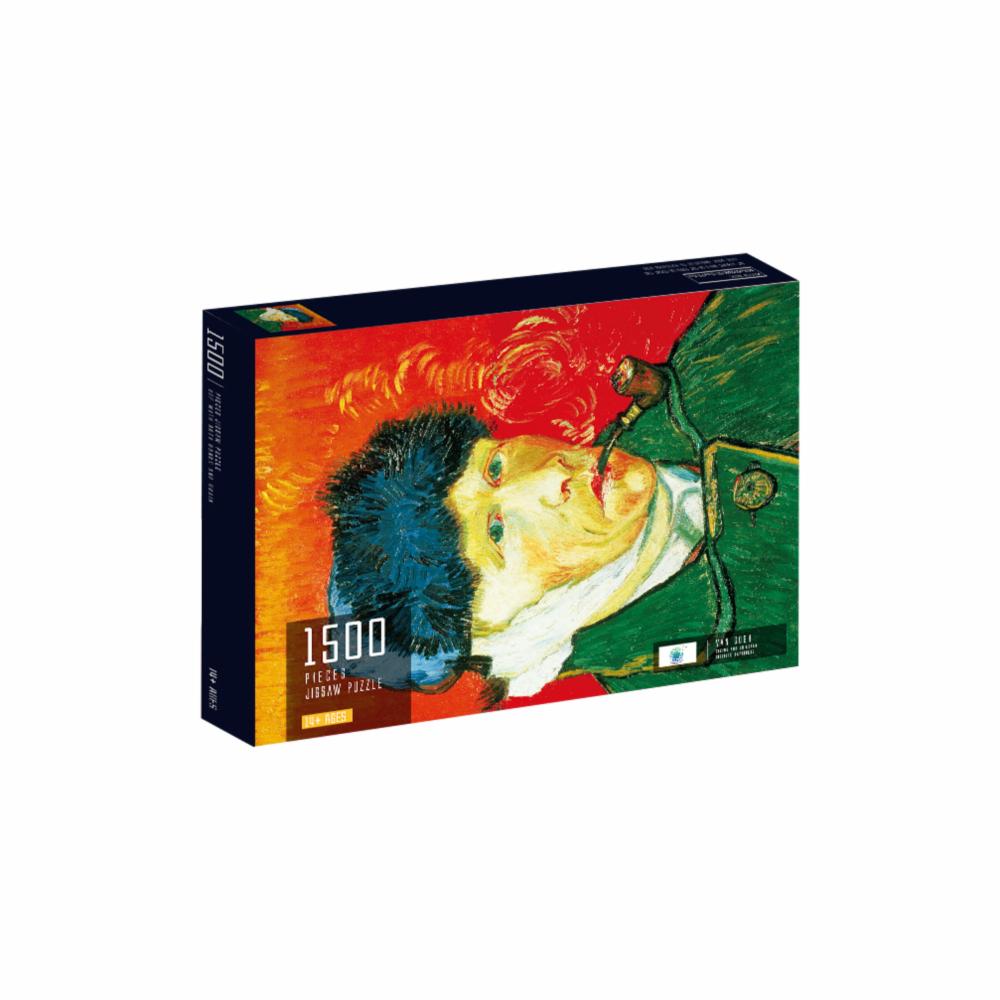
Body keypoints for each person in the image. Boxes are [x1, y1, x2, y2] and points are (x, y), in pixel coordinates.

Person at [322, 282, 798, 700]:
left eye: (495, 467)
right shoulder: (693, 672)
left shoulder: (728, 340)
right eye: (497, 533)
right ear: (501, 623)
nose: (552, 475)